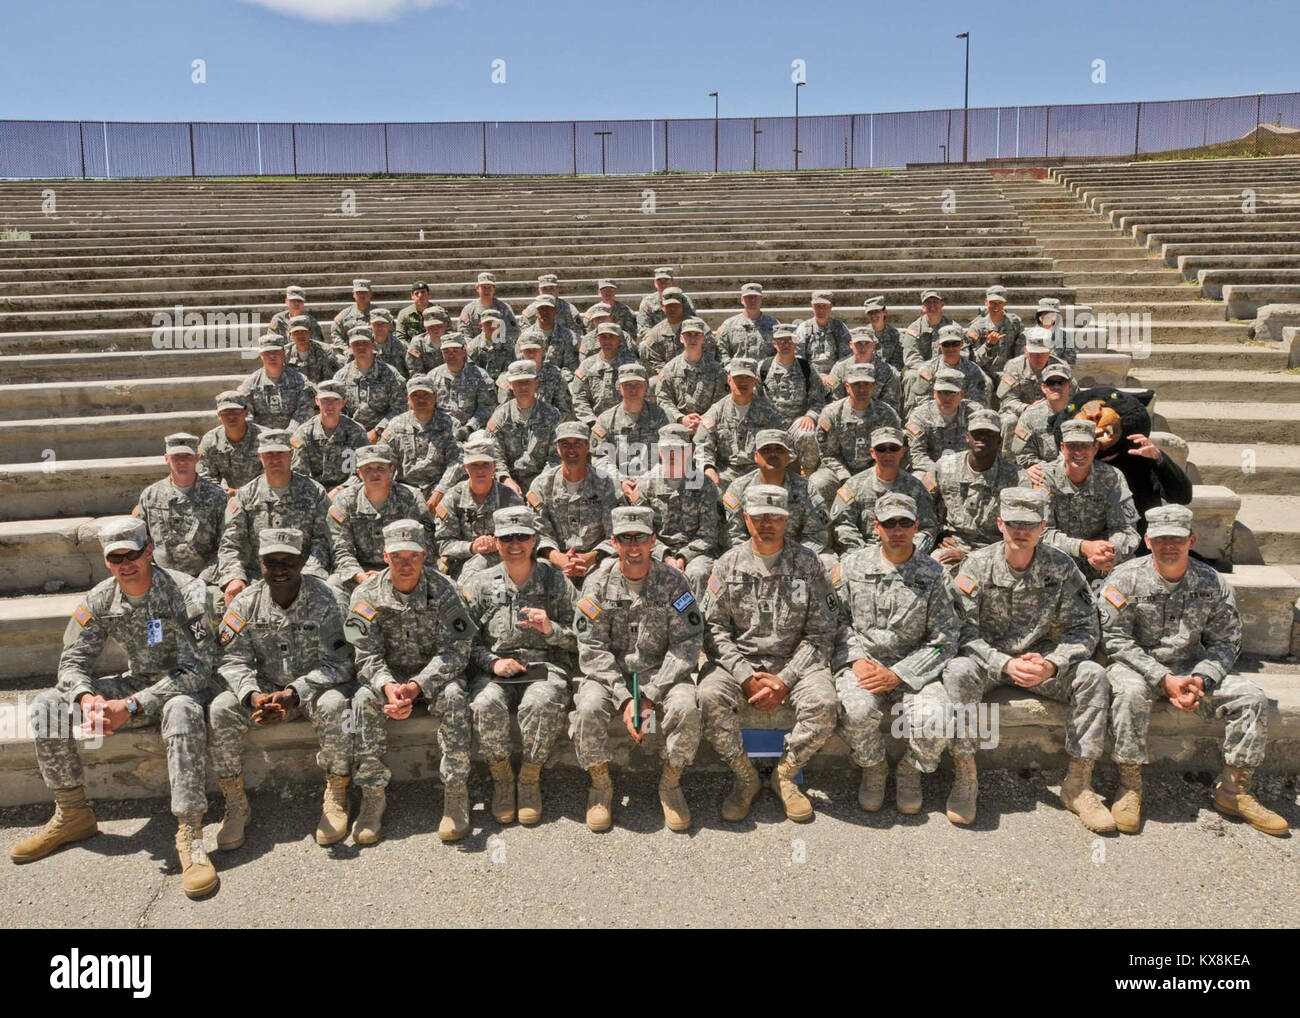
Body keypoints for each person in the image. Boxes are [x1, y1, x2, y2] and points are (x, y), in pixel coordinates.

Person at [12, 519, 220, 900]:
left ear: (149, 550)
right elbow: (72, 661)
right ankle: (73, 813)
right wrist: (86, 699)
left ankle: (191, 833)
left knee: (180, 711)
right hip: (137, 683)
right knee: (48, 705)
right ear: (107, 562)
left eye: (133, 554)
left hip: (189, 686)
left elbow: (198, 669)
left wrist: (131, 705)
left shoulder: (187, 593)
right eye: (116, 557)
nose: (126, 564)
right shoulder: (100, 600)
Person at [1102, 505, 1287, 836]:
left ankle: (1234, 791)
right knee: (1128, 692)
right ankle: (1130, 784)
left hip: (1191, 666)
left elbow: (1226, 643)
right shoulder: (1125, 578)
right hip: (1138, 666)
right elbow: (1114, 640)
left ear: (1192, 539)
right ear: (1148, 540)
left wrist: (1200, 679)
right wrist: (1163, 678)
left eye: (1177, 538)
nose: (1169, 545)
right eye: (1161, 539)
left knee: (1252, 698)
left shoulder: (1212, 582)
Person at [942, 488, 1114, 832]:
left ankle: (1078, 783)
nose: (1022, 531)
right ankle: (965, 776)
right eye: (1014, 523)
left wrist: (1053, 663)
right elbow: (960, 631)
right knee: (959, 670)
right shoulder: (976, 565)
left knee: (1093, 674)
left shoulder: (1062, 567)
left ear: (1043, 526)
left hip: (1042, 663)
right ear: (1000, 524)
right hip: (990, 662)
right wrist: (1004, 663)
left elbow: (1084, 629)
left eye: (1030, 524)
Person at [699, 485, 839, 823]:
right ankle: (745, 777)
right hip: (739, 663)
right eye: (759, 517)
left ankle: (786, 774)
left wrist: (785, 680)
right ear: (746, 519)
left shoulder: (808, 564)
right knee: (707, 695)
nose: (766, 524)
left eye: (774, 517)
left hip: (795, 662)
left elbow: (822, 631)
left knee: (825, 703)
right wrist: (746, 677)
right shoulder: (726, 565)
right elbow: (713, 630)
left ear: (787, 520)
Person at [209, 528, 355, 850]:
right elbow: (230, 660)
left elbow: (342, 663)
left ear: (302, 560)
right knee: (221, 707)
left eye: (287, 562)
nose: (279, 570)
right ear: (259, 563)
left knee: (336, 705)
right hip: (266, 688)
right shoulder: (246, 603)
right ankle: (235, 802)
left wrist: (295, 692)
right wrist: (253, 696)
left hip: (315, 687)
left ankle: (337, 791)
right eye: (270, 562)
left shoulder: (329, 600)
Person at [569, 506, 705, 832]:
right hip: (609, 675)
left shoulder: (674, 582)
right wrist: (626, 698)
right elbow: (591, 647)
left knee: (687, 708)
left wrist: (651, 693)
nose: (633, 547)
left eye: (640, 538)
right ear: (613, 542)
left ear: (653, 541)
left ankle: (670, 783)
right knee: (587, 708)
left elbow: (688, 642)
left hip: (662, 671)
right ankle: (600, 786)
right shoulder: (597, 582)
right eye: (625, 539)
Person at [346, 520, 478, 844]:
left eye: (413, 556)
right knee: (361, 701)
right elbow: (363, 655)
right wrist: (389, 687)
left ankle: (456, 791)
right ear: (384, 556)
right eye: (397, 557)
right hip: (386, 678)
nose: (406, 565)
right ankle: (372, 794)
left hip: (435, 675)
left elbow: (457, 652)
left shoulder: (446, 590)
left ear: (425, 555)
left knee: (455, 697)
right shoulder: (364, 596)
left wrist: (418, 686)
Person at [831, 493, 958, 813]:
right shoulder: (851, 566)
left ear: (916, 526)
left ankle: (910, 770)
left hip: (915, 668)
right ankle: (873, 767)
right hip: (864, 664)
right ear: (877, 527)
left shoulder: (935, 574)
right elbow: (835, 622)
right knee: (855, 711)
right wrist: (856, 659)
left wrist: (900, 673)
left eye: (904, 522)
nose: (897, 529)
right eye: (889, 523)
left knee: (937, 718)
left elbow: (945, 639)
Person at [463, 507, 579, 827]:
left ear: (535, 540)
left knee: (540, 701)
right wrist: (493, 662)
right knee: (485, 703)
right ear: (497, 543)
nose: (515, 544)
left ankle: (529, 777)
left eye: (523, 537)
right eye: (507, 538)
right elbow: (462, 641)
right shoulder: (481, 583)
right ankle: (502, 779)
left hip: (546, 664)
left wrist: (550, 630)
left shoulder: (556, 581)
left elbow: (586, 636)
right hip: (497, 669)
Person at [217, 429, 333, 607]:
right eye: (269, 454)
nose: (275, 459)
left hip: (304, 574)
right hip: (257, 577)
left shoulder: (314, 492)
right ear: (260, 456)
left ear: (291, 454)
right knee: (220, 603)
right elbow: (231, 543)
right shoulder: (245, 496)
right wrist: (234, 577)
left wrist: (311, 575)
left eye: (280, 453)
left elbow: (323, 541)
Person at [1039, 418, 1140, 583]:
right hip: (1056, 561)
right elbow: (1040, 533)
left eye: (1085, 445)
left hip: (1102, 563)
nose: (1078, 452)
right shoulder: (1044, 477)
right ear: (1062, 448)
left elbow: (1127, 529)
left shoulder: (1113, 477)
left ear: (1095, 448)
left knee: (1131, 569)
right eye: (1072, 446)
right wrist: (1084, 547)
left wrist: (1110, 552)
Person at [625, 423, 719, 599]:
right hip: (656, 552)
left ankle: (697, 623)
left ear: (689, 451)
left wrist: (683, 557)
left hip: (695, 554)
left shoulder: (704, 485)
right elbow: (642, 531)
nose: (673, 454)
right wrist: (667, 557)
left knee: (698, 573)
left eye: (678, 449)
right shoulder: (646, 485)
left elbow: (709, 534)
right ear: (660, 451)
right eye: (668, 449)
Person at [327, 444, 435, 592]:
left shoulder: (411, 498)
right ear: (358, 472)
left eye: (380, 468)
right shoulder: (345, 501)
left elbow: (424, 544)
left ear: (391, 470)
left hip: (404, 570)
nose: (374, 474)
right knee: (334, 585)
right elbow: (340, 548)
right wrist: (359, 576)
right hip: (360, 571)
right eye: (368, 469)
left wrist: (390, 574)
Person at [529, 422, 620, 585]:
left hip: (597, 560)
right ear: (557, 448)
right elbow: (539, 534)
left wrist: (588, 559)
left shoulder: (606, 484)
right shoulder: (542, 485)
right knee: (537, 571)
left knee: (613, 569)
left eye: (577, 444)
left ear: (587, 447)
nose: (571, 449)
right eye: (565, 444)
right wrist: (561, 559)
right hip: (555, 560)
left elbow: (614, 534)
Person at [829, 427, 938, 555]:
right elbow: (842, 524)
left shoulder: (915, 488)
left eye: (893, 448)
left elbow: (928, 528)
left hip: (905, 555)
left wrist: (909, 551)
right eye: (881, 449)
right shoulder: (854, 486)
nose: (888, 454)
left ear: (902, 452)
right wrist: (862, 553)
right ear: (872, 452)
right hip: (862, 553)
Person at [134, 432, 226, 583]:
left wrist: (203, 580)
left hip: (206, 580)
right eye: (176, 457)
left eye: (187, 456)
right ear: (166, 459)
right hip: (161, 580)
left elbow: (226, 544)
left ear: (197, 458)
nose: (182, 462)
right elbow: (142, 542)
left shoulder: (217, 496)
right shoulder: (150, 495)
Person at [808, 362, 902, 506]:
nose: (862, 389)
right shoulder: (831, 414)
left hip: (876, 471)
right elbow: (828, 454)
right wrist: (845, 476)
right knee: (818, 483)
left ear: (874, 387)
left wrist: (869, 476)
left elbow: (890, 452)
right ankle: (824, 527)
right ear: (847, 387)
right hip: (838, 471)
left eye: (866, 384)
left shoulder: (887, 414)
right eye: (856, 384)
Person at [433, 433, 524, 579]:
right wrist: (472, 547)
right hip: (464, 566)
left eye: (485, 464)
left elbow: (525, 539)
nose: (480, 471)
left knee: (500, 593)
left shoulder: (510, 499)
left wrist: (499, 543)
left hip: (504, 564)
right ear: (466, 468)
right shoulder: (453, 498)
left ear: (494, 466)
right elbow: (443, 543)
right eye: (474, 465)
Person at [380, 374, 463, 512]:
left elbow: (456, 462)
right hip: (405, 489)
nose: (421, 400)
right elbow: (385, 460)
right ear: (408, 400)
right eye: (415, 396)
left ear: (435, 397)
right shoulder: (396, 425)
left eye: (425, 395)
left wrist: (439, 492)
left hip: (440, 489)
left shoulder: (451, 424)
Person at [484, 359, 563, 493]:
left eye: (527, 382)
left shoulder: (552, 414)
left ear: (536, 382)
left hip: (544, 481)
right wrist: (506, 480)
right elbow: (494, 455)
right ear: (510, 385)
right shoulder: (500, 416)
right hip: (507, 483)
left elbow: (555, 457)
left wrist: (541, 483)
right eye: (518, 383)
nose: (523, 387)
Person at [289, 378, 369, 495]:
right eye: (325, 400)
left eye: (335, 400)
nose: (330, 405)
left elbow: (363, 470)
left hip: (349, 491)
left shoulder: (356, 431)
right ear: (317, 401)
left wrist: (340, 490)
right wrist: (320, 495)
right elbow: (298, 472)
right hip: (313, 492)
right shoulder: (304, 433)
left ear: (343, 403)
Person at [239, 333, 316, 431]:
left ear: (284, 352)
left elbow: (305, 411)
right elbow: (246, 415)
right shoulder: (250, 384)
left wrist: (289, 433)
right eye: (267, 352)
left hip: (293, 437)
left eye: (276, 351)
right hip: (261, 439)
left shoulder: (300, 380)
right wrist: (263, 435)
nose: (272, 356)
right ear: (261, 355)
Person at [198, 391, 264, 494]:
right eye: (225, 412)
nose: (231, 416)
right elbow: (205, 474)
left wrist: (243, 493)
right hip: (224, 496)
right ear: (219, 415)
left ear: (246, 412)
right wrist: (221, 492)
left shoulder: (264, 437)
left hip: (259, 496)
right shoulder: (210, 440)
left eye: (236, 411)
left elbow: (273, 476)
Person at [715, 282, 777, 366]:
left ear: (761, 299)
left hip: (765, 376)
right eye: (748, 297)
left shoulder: (774, 324)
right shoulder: (729, 325)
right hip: (738, 375)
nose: (752, 300)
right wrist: (731, 370)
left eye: (755, 297)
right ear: (742, 300)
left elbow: (780, 352)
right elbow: (721, 351)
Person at [458, 270, 519, 342]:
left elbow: (513, 332)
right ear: (477, 288)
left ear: (494, 289)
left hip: (500, 349)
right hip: (476, 350)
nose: (486, 291)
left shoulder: (505, 308)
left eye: (489, 287)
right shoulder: (468, 310)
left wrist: (501, 347)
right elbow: (464, 334)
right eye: (484, 287)